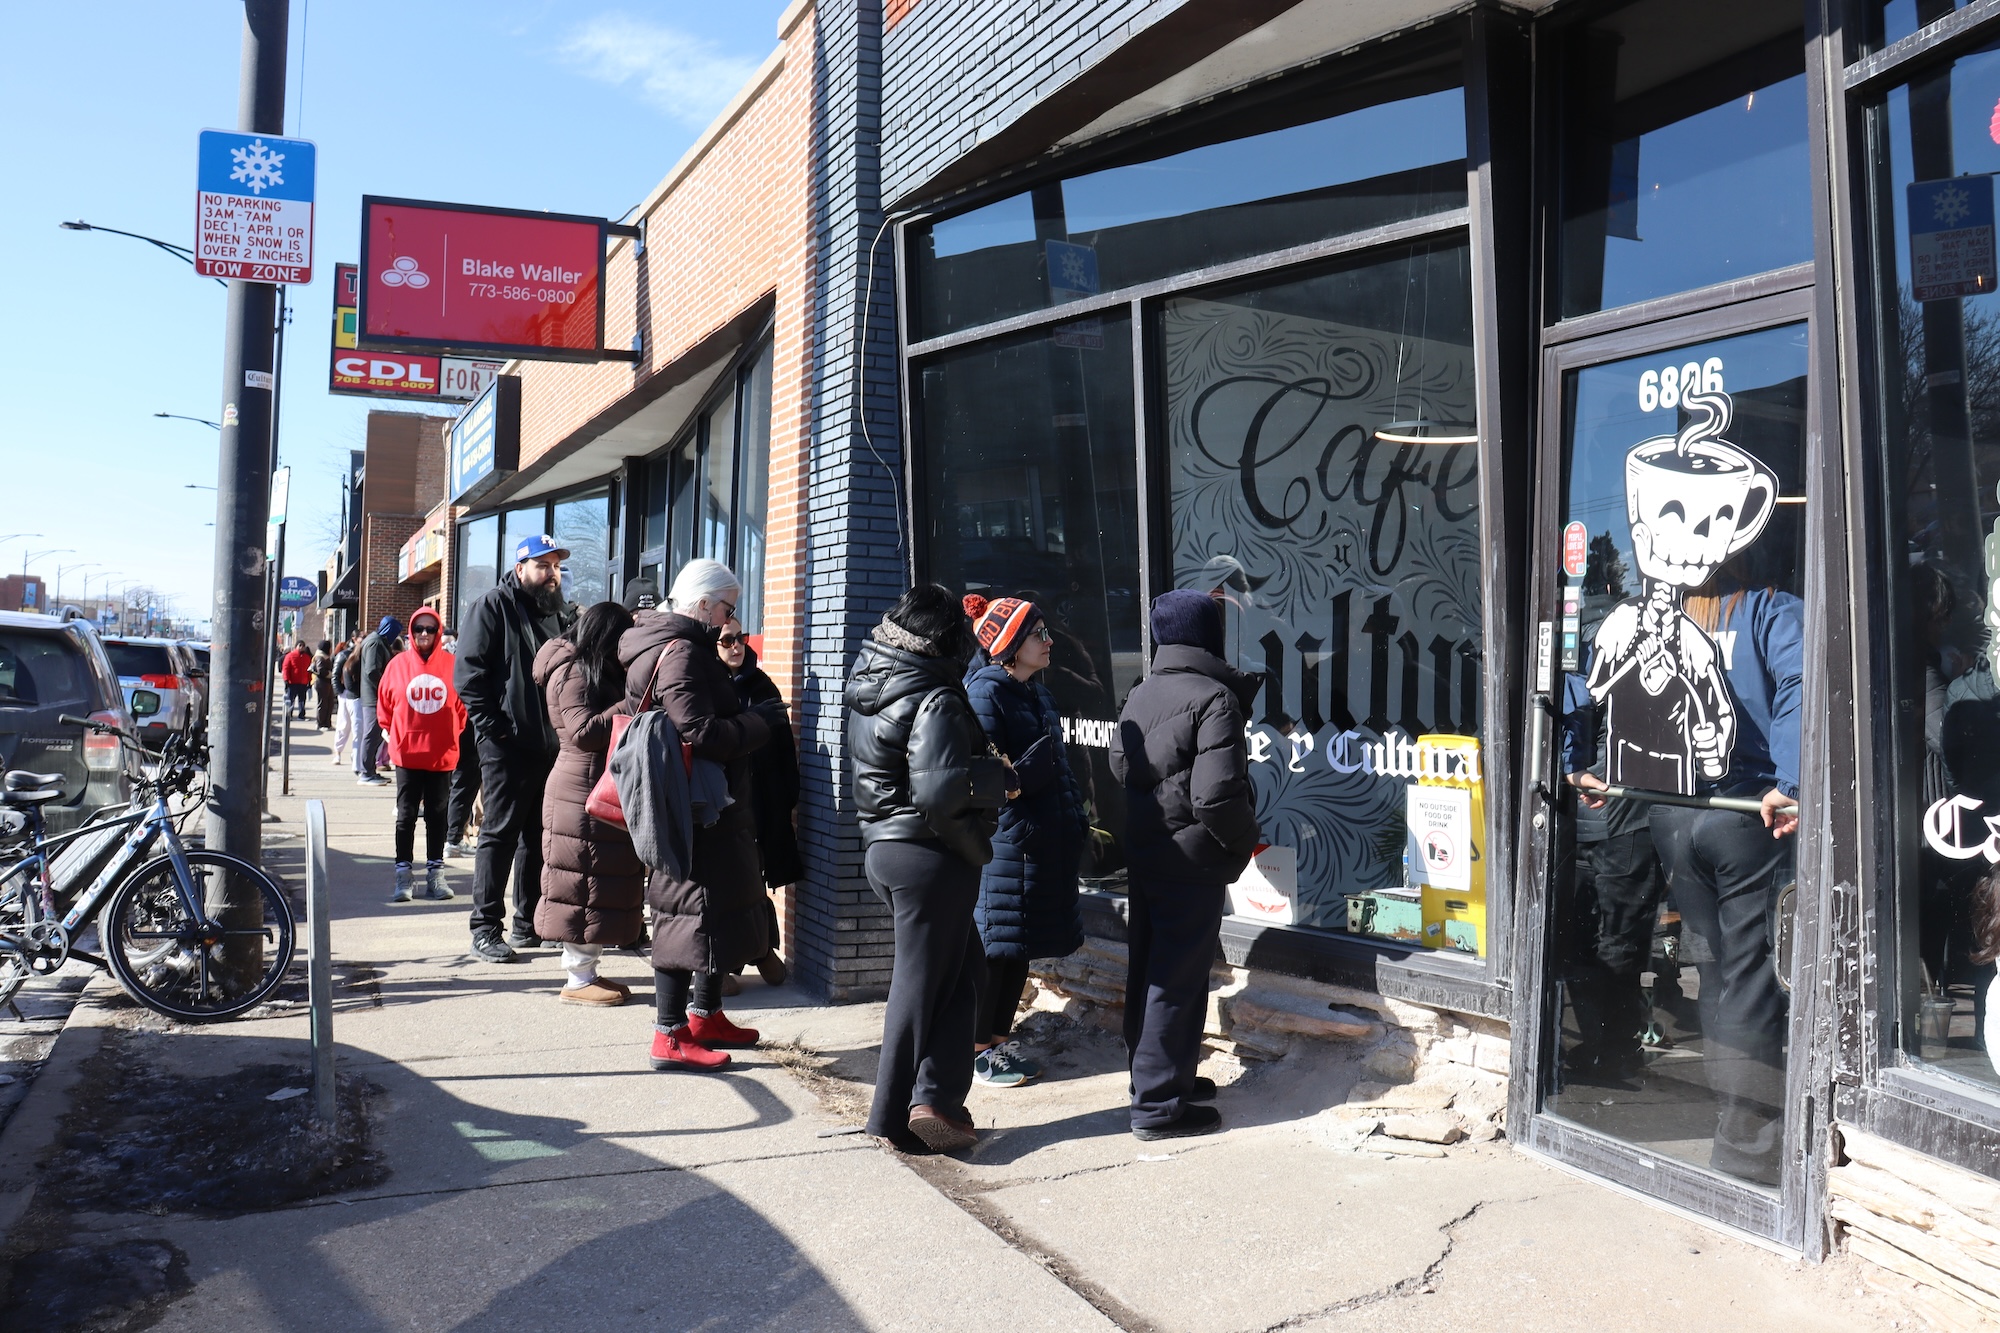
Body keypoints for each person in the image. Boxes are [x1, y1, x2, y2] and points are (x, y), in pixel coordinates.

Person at [847, 584, 1008, 1152]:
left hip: (887, 850)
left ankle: (935, 1099)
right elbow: (940, 794)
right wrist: (975, 847)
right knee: (919, 989)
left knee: (967, 976)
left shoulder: (877, 682)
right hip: (929, 855)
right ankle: (890, 1117)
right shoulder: (933, 693)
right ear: (943, 637)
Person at [1110, 590, 1260, 1141]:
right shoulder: (1215, 698)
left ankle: (1157, 1079)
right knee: (1176, 980)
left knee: (1151, 970)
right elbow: (1217, 795)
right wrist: (1246, 842)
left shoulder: (1142, 692)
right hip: (1192, 859)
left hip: (1148, 851)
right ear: (1208, 636)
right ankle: (1156, 1106)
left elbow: (1120, 764)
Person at [621, 558, 780, 1071]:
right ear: (705, 603)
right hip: (695, 808)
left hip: (699, 802)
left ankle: (704, 1014)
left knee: (715, 912)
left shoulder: (669, 643)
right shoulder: (683, 651)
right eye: (728, 608)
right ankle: (668, 1035)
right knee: (685, 915)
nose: (728, 620)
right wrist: (758, 724)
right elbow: (700, 731)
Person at [962, 594, 1086, 1088]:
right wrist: (1020, 777)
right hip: (1005, 845)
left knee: (1018, 950)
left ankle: (996, 1041)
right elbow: (981, 779)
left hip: (1035, 844)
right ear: (1010, 646)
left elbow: (1059, 768)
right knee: (996, 951)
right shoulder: (985, 693)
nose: (1050, 641)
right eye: (1039, 634)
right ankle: (976, 1049)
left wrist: (1075, 819)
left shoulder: (1036, 692)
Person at [456, 534, 575, 963]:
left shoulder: (558, 613)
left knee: (538, 837)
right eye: (543, 565)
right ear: (521, 567)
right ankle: (485, 929)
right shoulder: (493, 606)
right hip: (507, 746)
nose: (552, 574)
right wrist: (497, 730)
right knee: (500, 834)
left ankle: (528, 924)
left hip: (550, 745)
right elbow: (469, 676)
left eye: (557, 566)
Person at [533, 600, 645, 1006]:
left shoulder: (588, 669)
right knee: (578, 884)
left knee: (593, 884)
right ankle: (577, 980)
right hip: (577, 792)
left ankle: (587, 972)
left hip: (590, 787)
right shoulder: (573, 672)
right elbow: (582, 732)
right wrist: (630, 704)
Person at [719, 614, 798, 987]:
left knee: (755, 877)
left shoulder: (762, 684)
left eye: (740, 638)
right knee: (733, 880)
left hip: (761, 797)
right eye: (726, 641)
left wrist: (787, 795)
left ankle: (762, 949)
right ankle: (740, 960)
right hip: (723, 800)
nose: (736, 647)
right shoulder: (708, 684)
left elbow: (783, 747)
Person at [378, 608, 466, 902]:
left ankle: (435, 875)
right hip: (407, 754)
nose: (424, 634)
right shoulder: (397, 665)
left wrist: (450, 733)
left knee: (437, 816)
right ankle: (403, 876)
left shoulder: (453, 665)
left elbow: (462, 709)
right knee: (406, 816)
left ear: (439, 631)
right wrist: (391, 732)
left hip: (441, 754)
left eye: (430, 629)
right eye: (419, 629)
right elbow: (385, 705)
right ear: (411, 632)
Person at [356, 616, 403, 786]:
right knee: (371, 735)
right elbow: (372, 671)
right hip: (374, 697)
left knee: (375, 736)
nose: (396, 636)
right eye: (395, 631)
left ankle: (369, 770)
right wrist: (388, 686)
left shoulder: (377, 641)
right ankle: (366, 772)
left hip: (375, 695)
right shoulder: (375, 642)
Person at [330, 638, 360, 766]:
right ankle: (337, 753)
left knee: (358, 728)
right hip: (346, 693)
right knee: (343, 725)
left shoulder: (363, 656)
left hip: (358, 694)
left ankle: (355, 755)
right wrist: (340, 692)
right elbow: (335, 675)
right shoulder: (344, 655)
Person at [280, 641, 313, 720]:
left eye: (303, 646)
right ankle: (289, 715)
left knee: (302, 700)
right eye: (300, 645)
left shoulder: (307, 657)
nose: (302, 647)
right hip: (292, 682)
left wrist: (309, 681)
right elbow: (286, 668)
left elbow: (309, 670)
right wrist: (286, 680)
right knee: (291, 699)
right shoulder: (290, 656)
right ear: (296, 646)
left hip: (303, 682)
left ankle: (301, 715)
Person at [312, 638, 337, 730]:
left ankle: (327, 723)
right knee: (323, 704)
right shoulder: (320, 657)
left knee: (329, 703)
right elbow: (321, 670)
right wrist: (332, 674)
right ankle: (320, 723)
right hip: (322, 683)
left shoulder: (324, 656)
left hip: (326, 683)